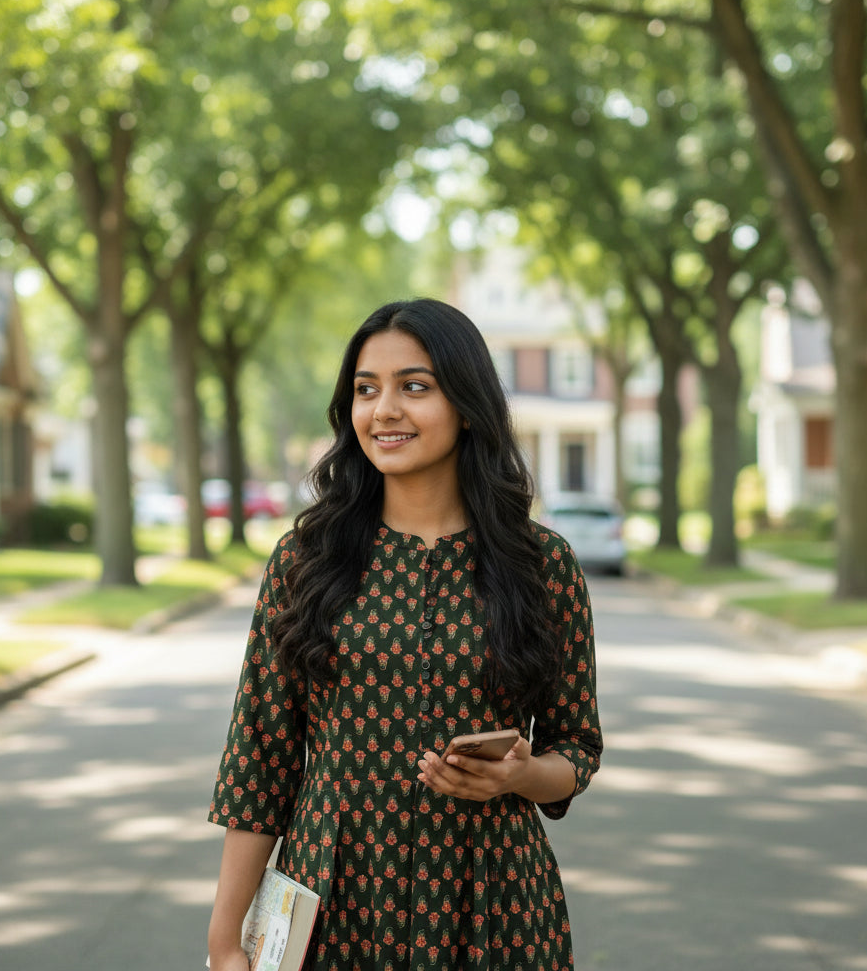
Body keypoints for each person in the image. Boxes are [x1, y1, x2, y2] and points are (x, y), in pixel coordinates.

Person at [206, 298, 602, 971]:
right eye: (367, 390)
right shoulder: (307, 562)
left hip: (495, 907)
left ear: (467, 404)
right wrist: (224, 945)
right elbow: (259, 763)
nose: (384, 410)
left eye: (413, 387)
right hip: (333, 902)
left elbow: (576, 747)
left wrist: (521, 775)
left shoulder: (541, 566)